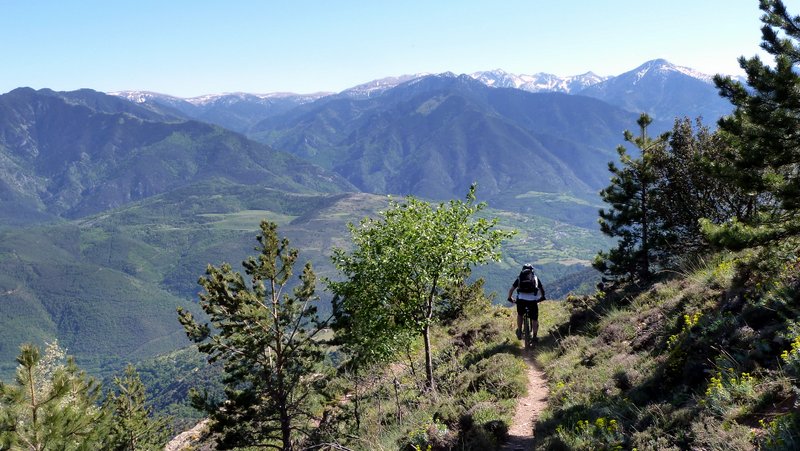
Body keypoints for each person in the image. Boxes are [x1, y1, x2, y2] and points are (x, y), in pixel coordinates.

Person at [507, 263, 546, 342]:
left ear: (522, 270)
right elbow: (541, 289)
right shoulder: (535, 278)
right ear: (532, 270)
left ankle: (519, 331)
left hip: (521, 300)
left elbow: (511, 290)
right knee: (534, 319)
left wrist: (510, 298)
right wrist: (542, 297)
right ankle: (535, 336)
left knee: (520, 314)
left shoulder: (519, 278)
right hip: (532, 301)